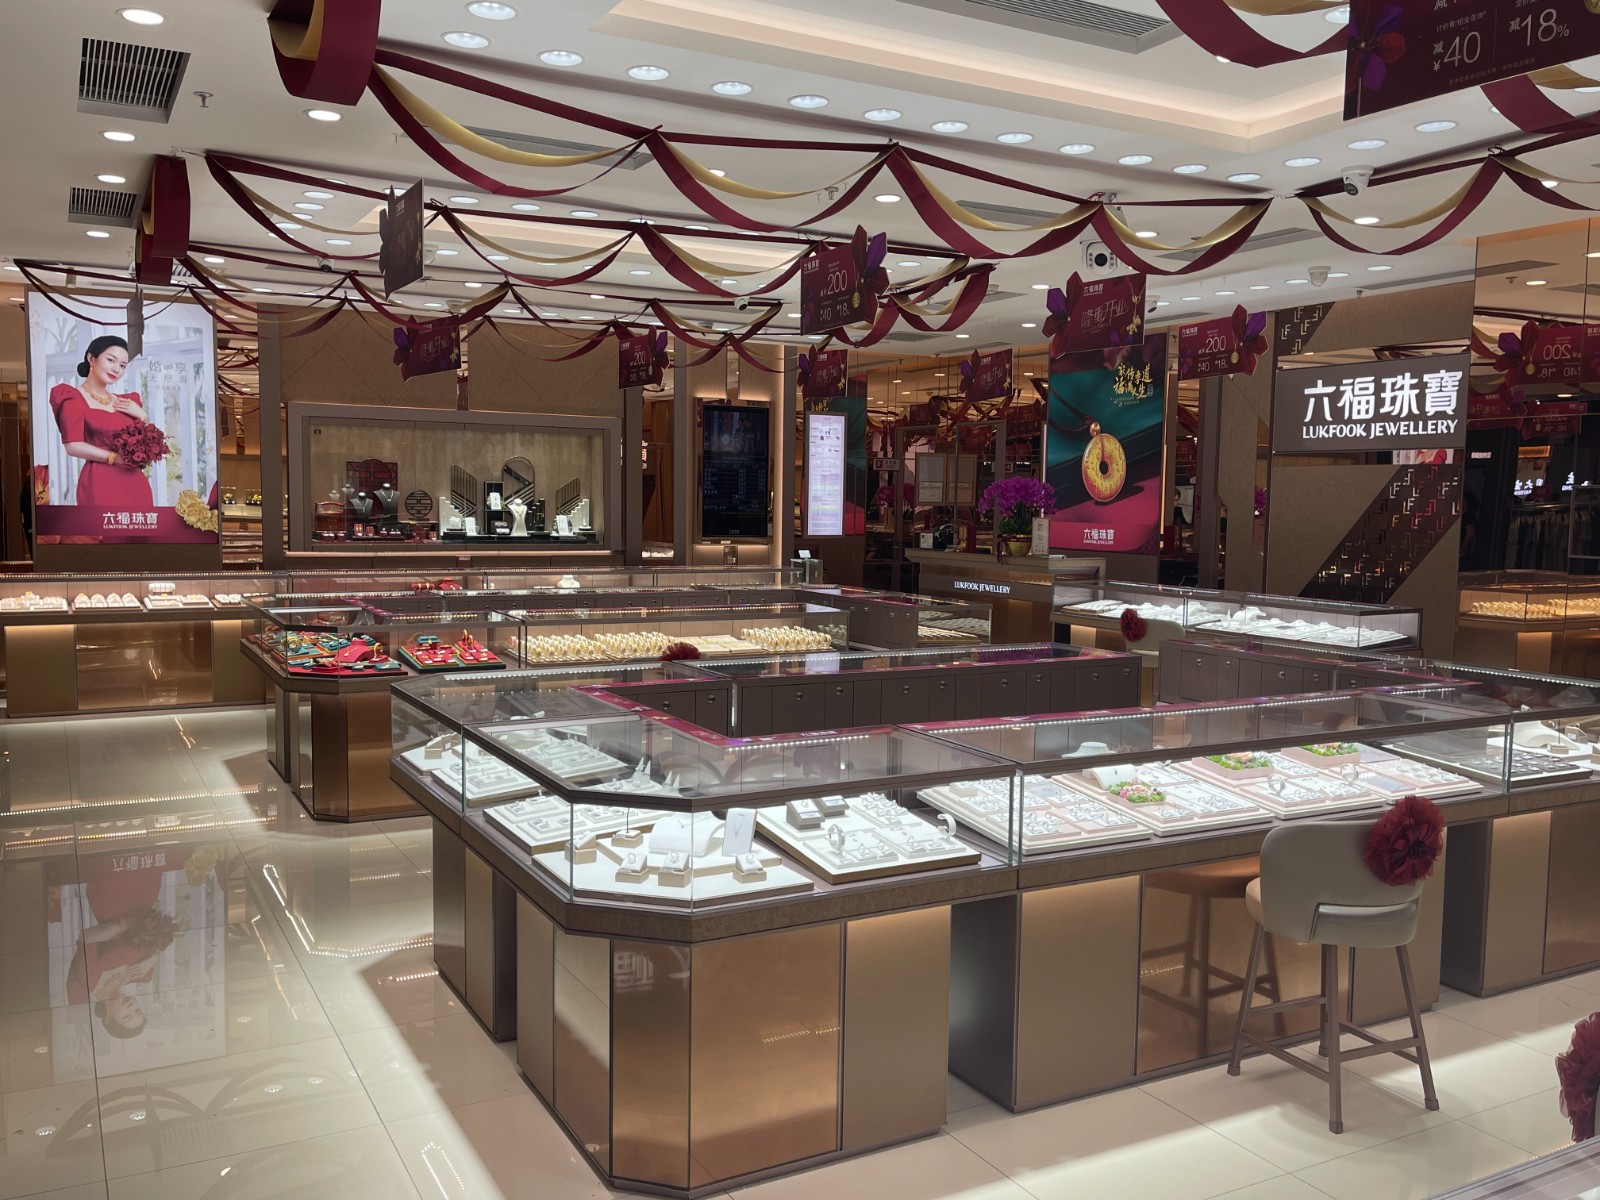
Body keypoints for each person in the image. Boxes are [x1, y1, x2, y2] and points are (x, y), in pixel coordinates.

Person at [47, 335, 154, 516]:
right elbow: (73, 446)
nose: (116, 369)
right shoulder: (72, 398)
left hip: (134, 481)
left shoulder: (128, 402)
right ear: (91, 358)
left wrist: (143, 416)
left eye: (122, 365)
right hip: (100, 481)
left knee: (140, 530)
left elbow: (145, 444)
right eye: (111, 360)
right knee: (103, 531)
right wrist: (114, 457)